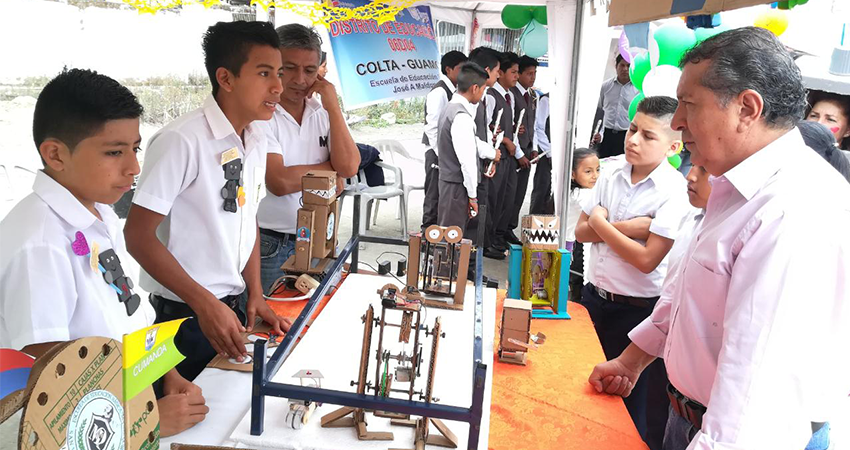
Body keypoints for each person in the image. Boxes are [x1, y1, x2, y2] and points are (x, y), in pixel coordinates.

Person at [588, 27, 850, 450]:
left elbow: (753, 395)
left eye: (689, 105)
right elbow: (691, 297)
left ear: (747, 107)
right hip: (693, 419)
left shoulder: (790, 208)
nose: (677, 122)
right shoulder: (737, 186)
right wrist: (632, 360)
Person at [0, 68, 207, 437]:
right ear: (55, 154)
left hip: (129, 404)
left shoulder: (99, 214)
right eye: (114, 152)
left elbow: (128, 316)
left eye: (135, 148)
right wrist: (144, 422)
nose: (134, 167)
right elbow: (52, 382)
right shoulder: (41, 243)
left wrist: (167, 374)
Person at [125, 21, 291, 382]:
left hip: (226, 308)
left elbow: (246, 216)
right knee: (181, 422)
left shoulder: (258, 135)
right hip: (181, 317)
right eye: (264, 73)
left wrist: (256, 293)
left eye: (279, 73)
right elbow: (137, 236)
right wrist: (204, 304)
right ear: (226, 78)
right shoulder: (182, 141)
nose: (278, 87)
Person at [576, 96, 692, 450]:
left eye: (648, 136)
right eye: (632, 129)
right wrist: (634, 227)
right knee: (583, 384)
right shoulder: (609, 173)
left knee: (629, 405)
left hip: (638, 311)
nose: (633, 140)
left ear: (674, 146)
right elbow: (581, 232)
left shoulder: (675, 191)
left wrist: (603, 222)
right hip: (593, 298)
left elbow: (646, 261)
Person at [257, 23, 360, 294]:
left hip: (321, 237)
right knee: (270, 326)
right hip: (272, 243)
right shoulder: (261, 115)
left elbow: (349, 166)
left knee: (313, 318)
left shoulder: (322, 110)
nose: (300, 79)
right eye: (289, 68)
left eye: (310, 70)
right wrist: (331, 171)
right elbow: (278, 181)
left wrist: (333, 107)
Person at [436, 62, 490, 235]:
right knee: (451, 239)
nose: (482, 95)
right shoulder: (461, 116)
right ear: (475, 88)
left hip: (449, 183)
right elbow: (467, 162)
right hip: (456, 187)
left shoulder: (450, 108)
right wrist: (472, 195)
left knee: (448, 236)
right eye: (483, 90)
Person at [421, 50, 468, 229]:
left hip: (445, 154)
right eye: (461, 69)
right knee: (433, 195)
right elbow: (432, 127)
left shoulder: (453, 91)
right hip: (436, 153)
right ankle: (427, 234)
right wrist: (442, 155)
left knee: (443, 196)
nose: (464, 73)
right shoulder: (439, 92)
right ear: (448, 70)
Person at [465, 47, 501, 264]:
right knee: (471, 219)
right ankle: (467, 268)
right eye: (497, 71)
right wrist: (490, 153)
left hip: (481, 164)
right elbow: (468, 137)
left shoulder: (484, 97)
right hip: (468, 169)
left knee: (480, 213)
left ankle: (473, 263)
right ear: (487, 70)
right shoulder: (470, 98)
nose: (498, 75)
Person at [483, 52, 520, 260]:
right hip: (494, 153)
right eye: (511, 72)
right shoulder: (489, 96)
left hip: (506, 155)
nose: (516, 76)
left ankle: (496, 236)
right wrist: (505, 140)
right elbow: (487, 126)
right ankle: (486, 242)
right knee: (491, 199)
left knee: (503, 199)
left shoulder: (509, 96)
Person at [502, 55, 539, 245]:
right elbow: (513, 127)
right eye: (528, 73)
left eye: (535, 73)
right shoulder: (512, 94)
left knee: (519, 194)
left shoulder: (532, 95)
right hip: (515, 151)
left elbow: (534, 124)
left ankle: (510, 227)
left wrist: (534, 148)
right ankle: (503, 229)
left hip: (527, 149)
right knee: (509, 194)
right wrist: (520, 154)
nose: (532, 77)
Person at [565, 147, 600, 303]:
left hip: (570, 243)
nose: (595, 176)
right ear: (573, 174)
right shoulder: (582, 195)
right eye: (588, 171)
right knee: (577, 283)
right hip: (573, 246)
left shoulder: (572, 192)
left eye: (598, 170)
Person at [592, 54, 639, 158]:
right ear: (616, 66)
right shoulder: (605, 87)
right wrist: (599, 132)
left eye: (628, 66)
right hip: (606, 136)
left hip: (625, 135)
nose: (625, 69)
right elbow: (601, 112)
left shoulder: (637, 90)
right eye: (622, 65)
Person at [531, 91, 553, 214]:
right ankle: (535, 221)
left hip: (557, 152)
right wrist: (549, 151)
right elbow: (539, 127)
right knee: (542, 186)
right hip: (546, 150)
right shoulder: (546, 100)